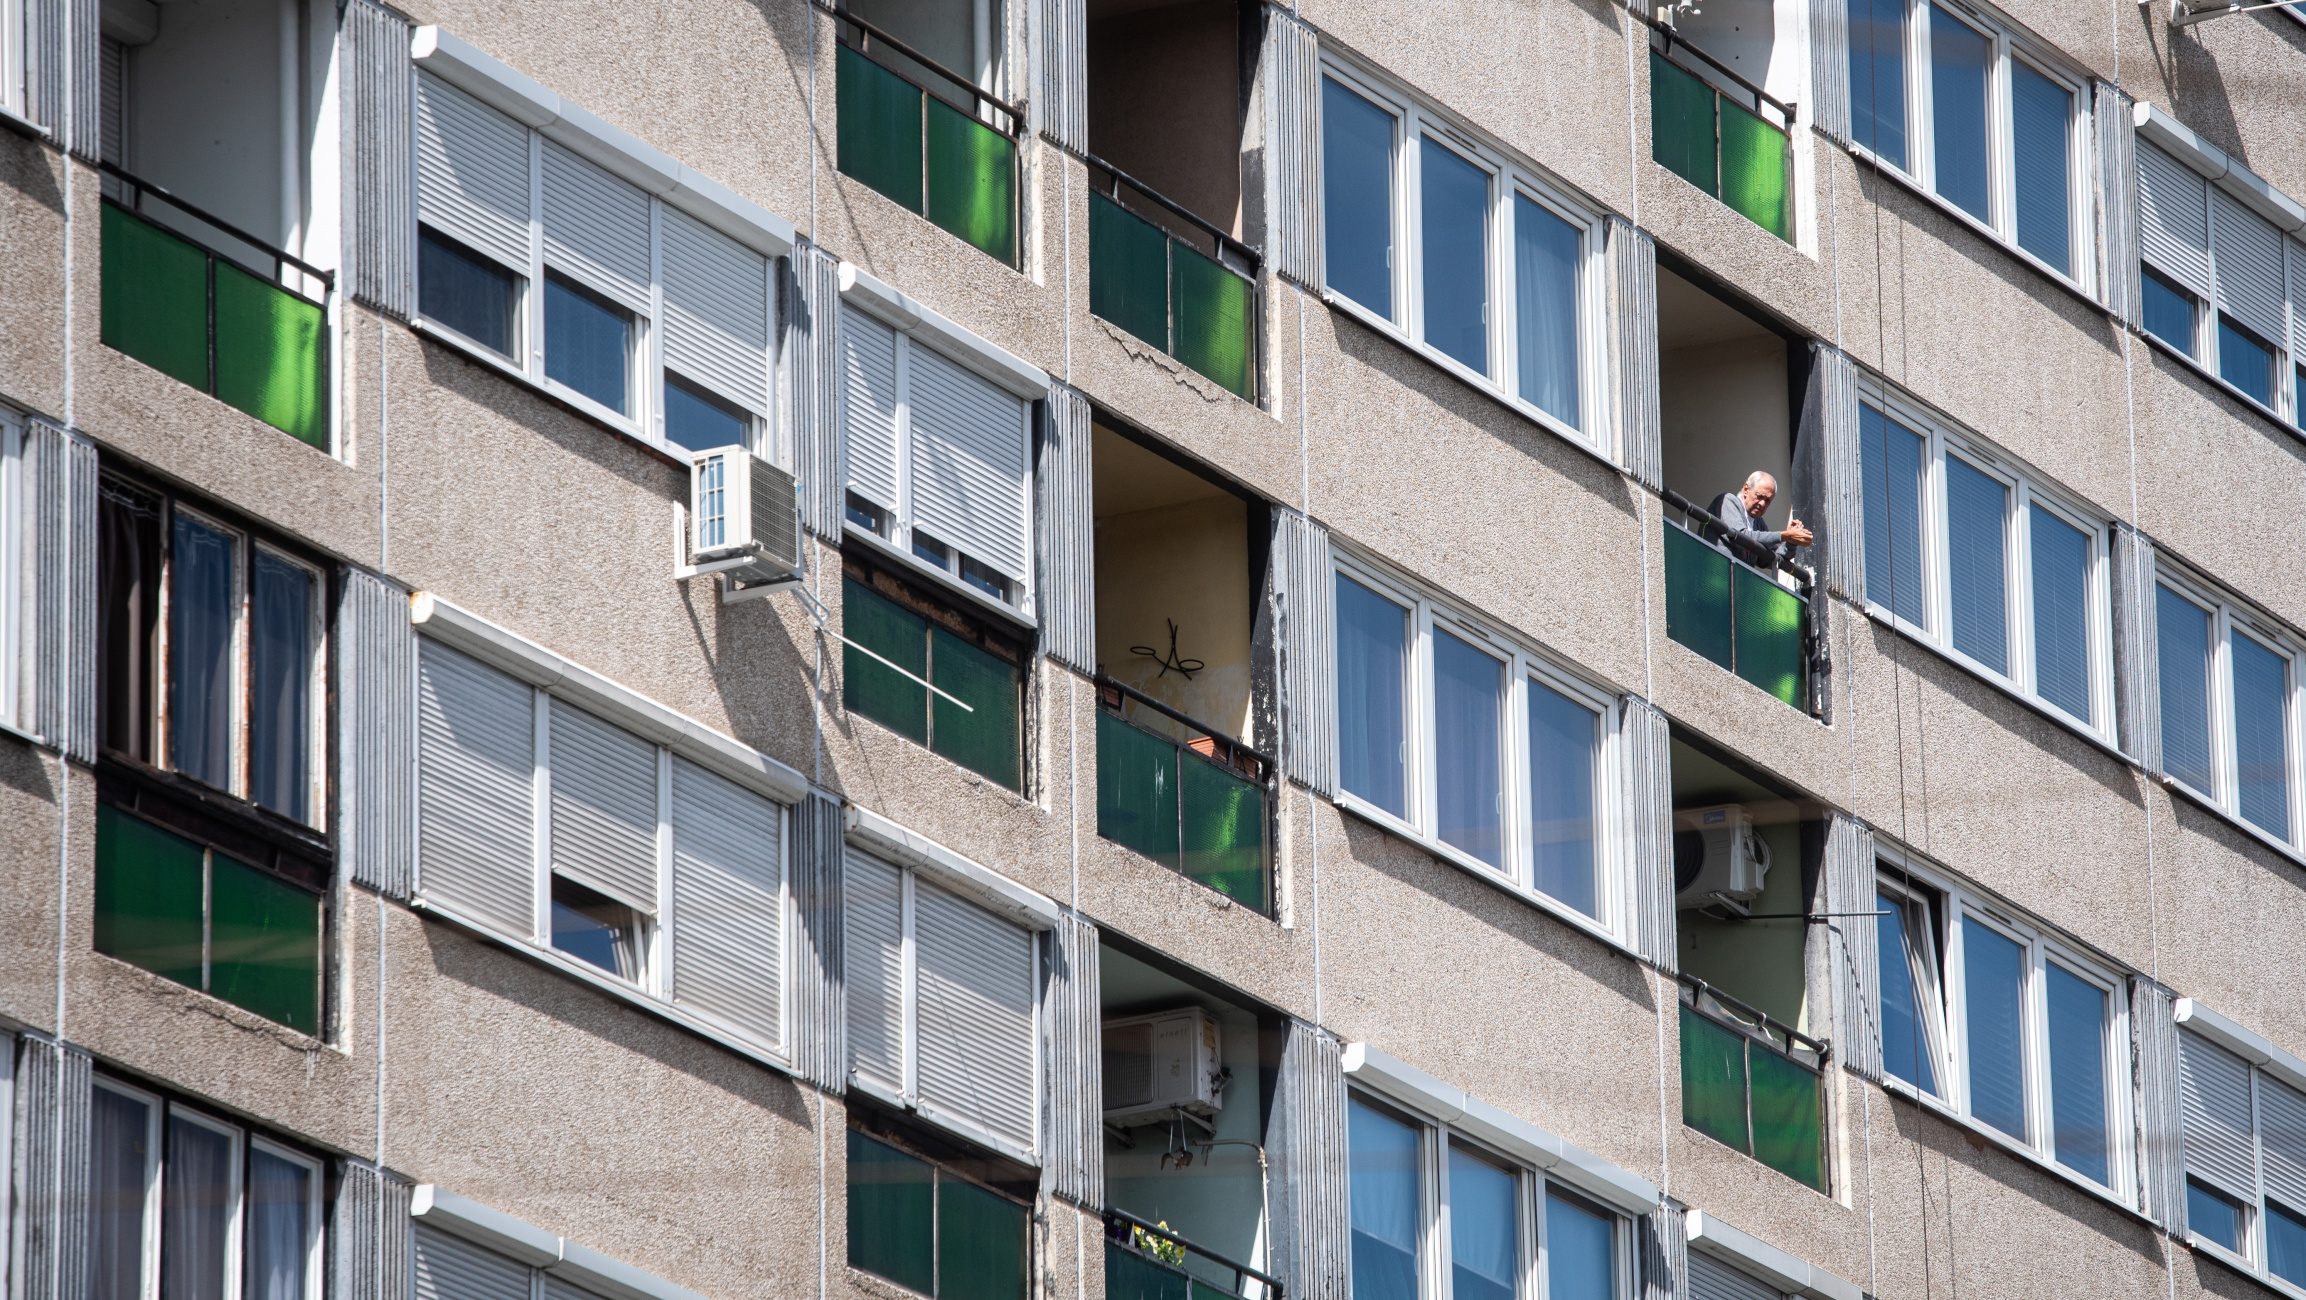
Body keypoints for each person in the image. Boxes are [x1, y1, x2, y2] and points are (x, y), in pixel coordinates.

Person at [1707, 471, 1813, 567]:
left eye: (1767, 501)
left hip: (1739, 581)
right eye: (1759, 496)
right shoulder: (1727, 500)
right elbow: (1739, 535)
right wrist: (1784, 535)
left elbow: (1771, 560)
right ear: (1746, 490)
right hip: (1715, 572)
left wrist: (1791, 542)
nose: (1762, 504)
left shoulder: (1758, 523)